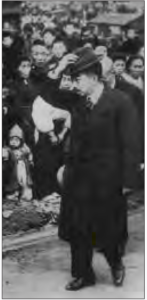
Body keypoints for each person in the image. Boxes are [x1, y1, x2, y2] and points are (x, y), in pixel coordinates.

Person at [58, 48, 140, 290]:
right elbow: (50, 94)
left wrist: (128, 180)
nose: (75, 83)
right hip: (79, 178)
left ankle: (116, 264)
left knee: (108, 229)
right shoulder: (77, 101)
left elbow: (132, 143)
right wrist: (61, 66)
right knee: (78, 229)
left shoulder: (120, 101)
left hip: (107, 178)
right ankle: (84, 274)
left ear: (93, 77)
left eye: (79, 78)